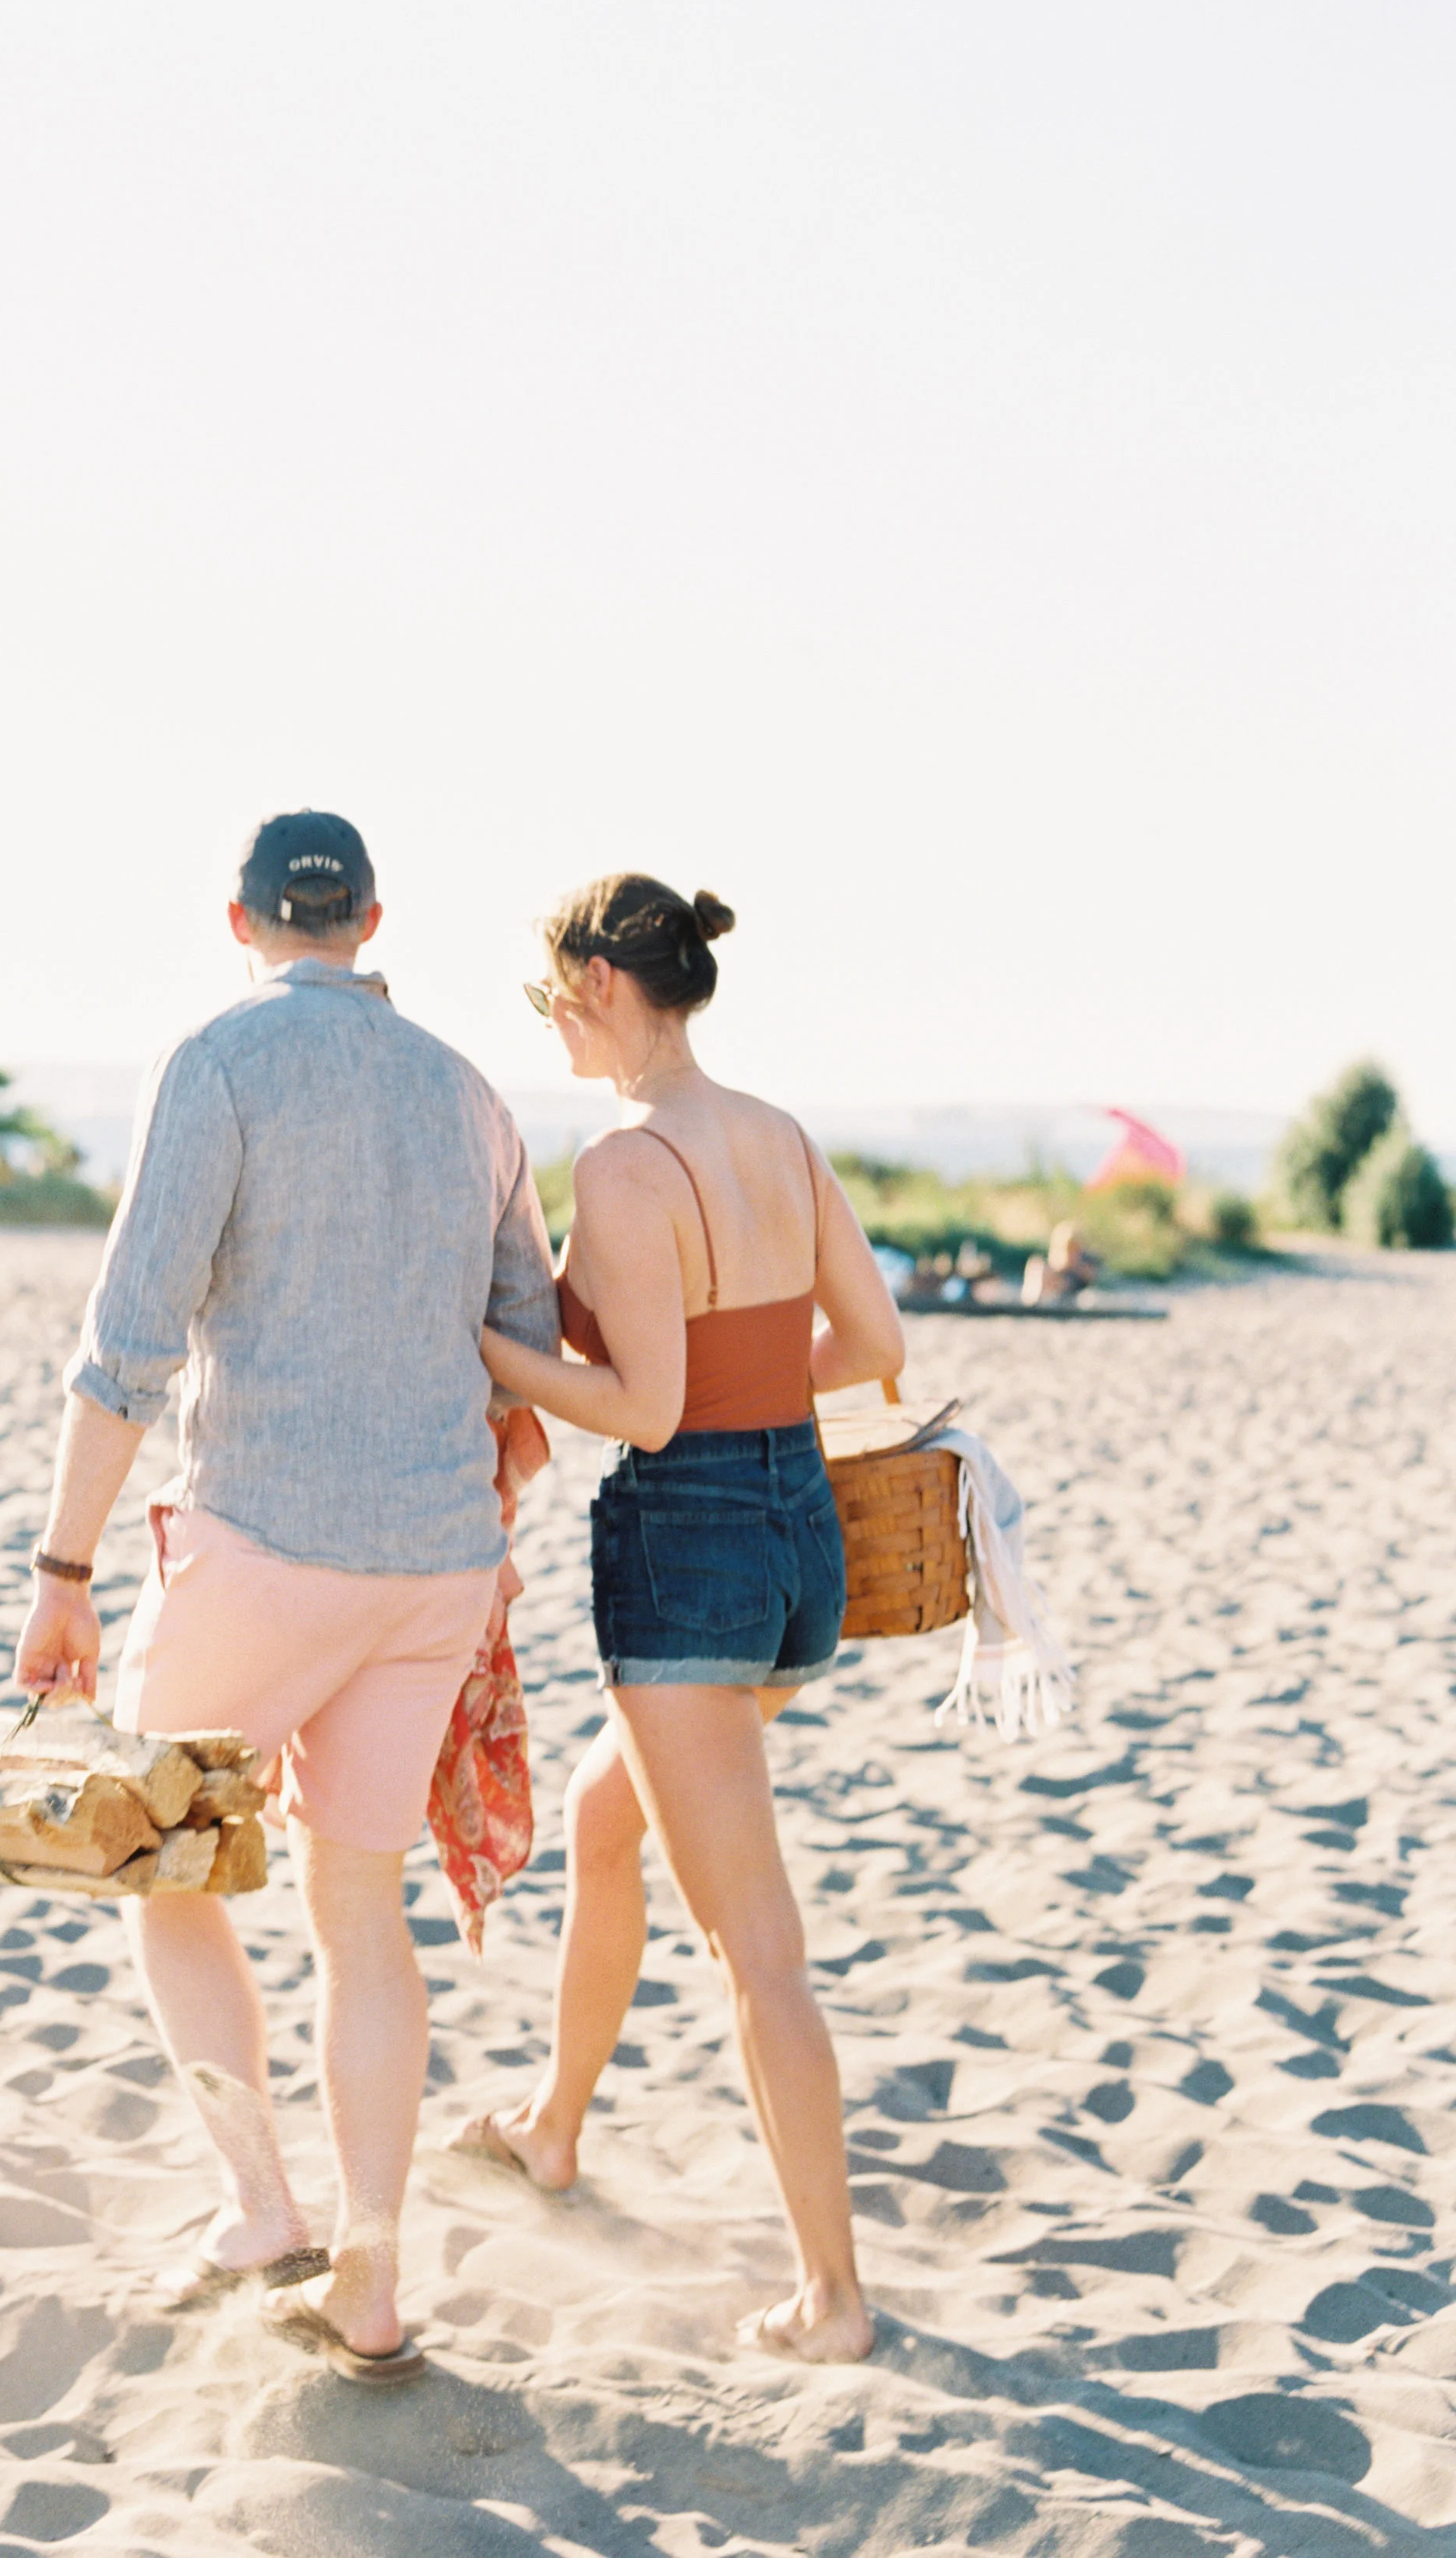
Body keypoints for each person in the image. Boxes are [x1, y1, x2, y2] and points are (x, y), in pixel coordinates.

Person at [12, 812, 557, 2385]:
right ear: (370, 919)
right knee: (355, 1903)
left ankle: (259, 2207)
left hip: (264, 1538)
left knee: (166, 1861)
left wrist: (64, 1572)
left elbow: (127, 1342)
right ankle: (369, 2276)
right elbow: (522, 1334)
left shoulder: (216, 1060)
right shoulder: (466, 1090)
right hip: (432, 1560)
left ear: (239, 918)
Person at [453, 872, 903, 2365]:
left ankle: (832, 2299)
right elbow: (877, 1342)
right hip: (794, 1556)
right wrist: (743, 1400)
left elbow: (636, 1409)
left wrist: (497, 1351)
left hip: (689, 1559)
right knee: (604, 1819)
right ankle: (556, 2126)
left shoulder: (632, 1164)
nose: (554, 1027)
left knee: (755, 1948)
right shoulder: (780, 1135)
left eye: (553, 996)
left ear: (599, 979)